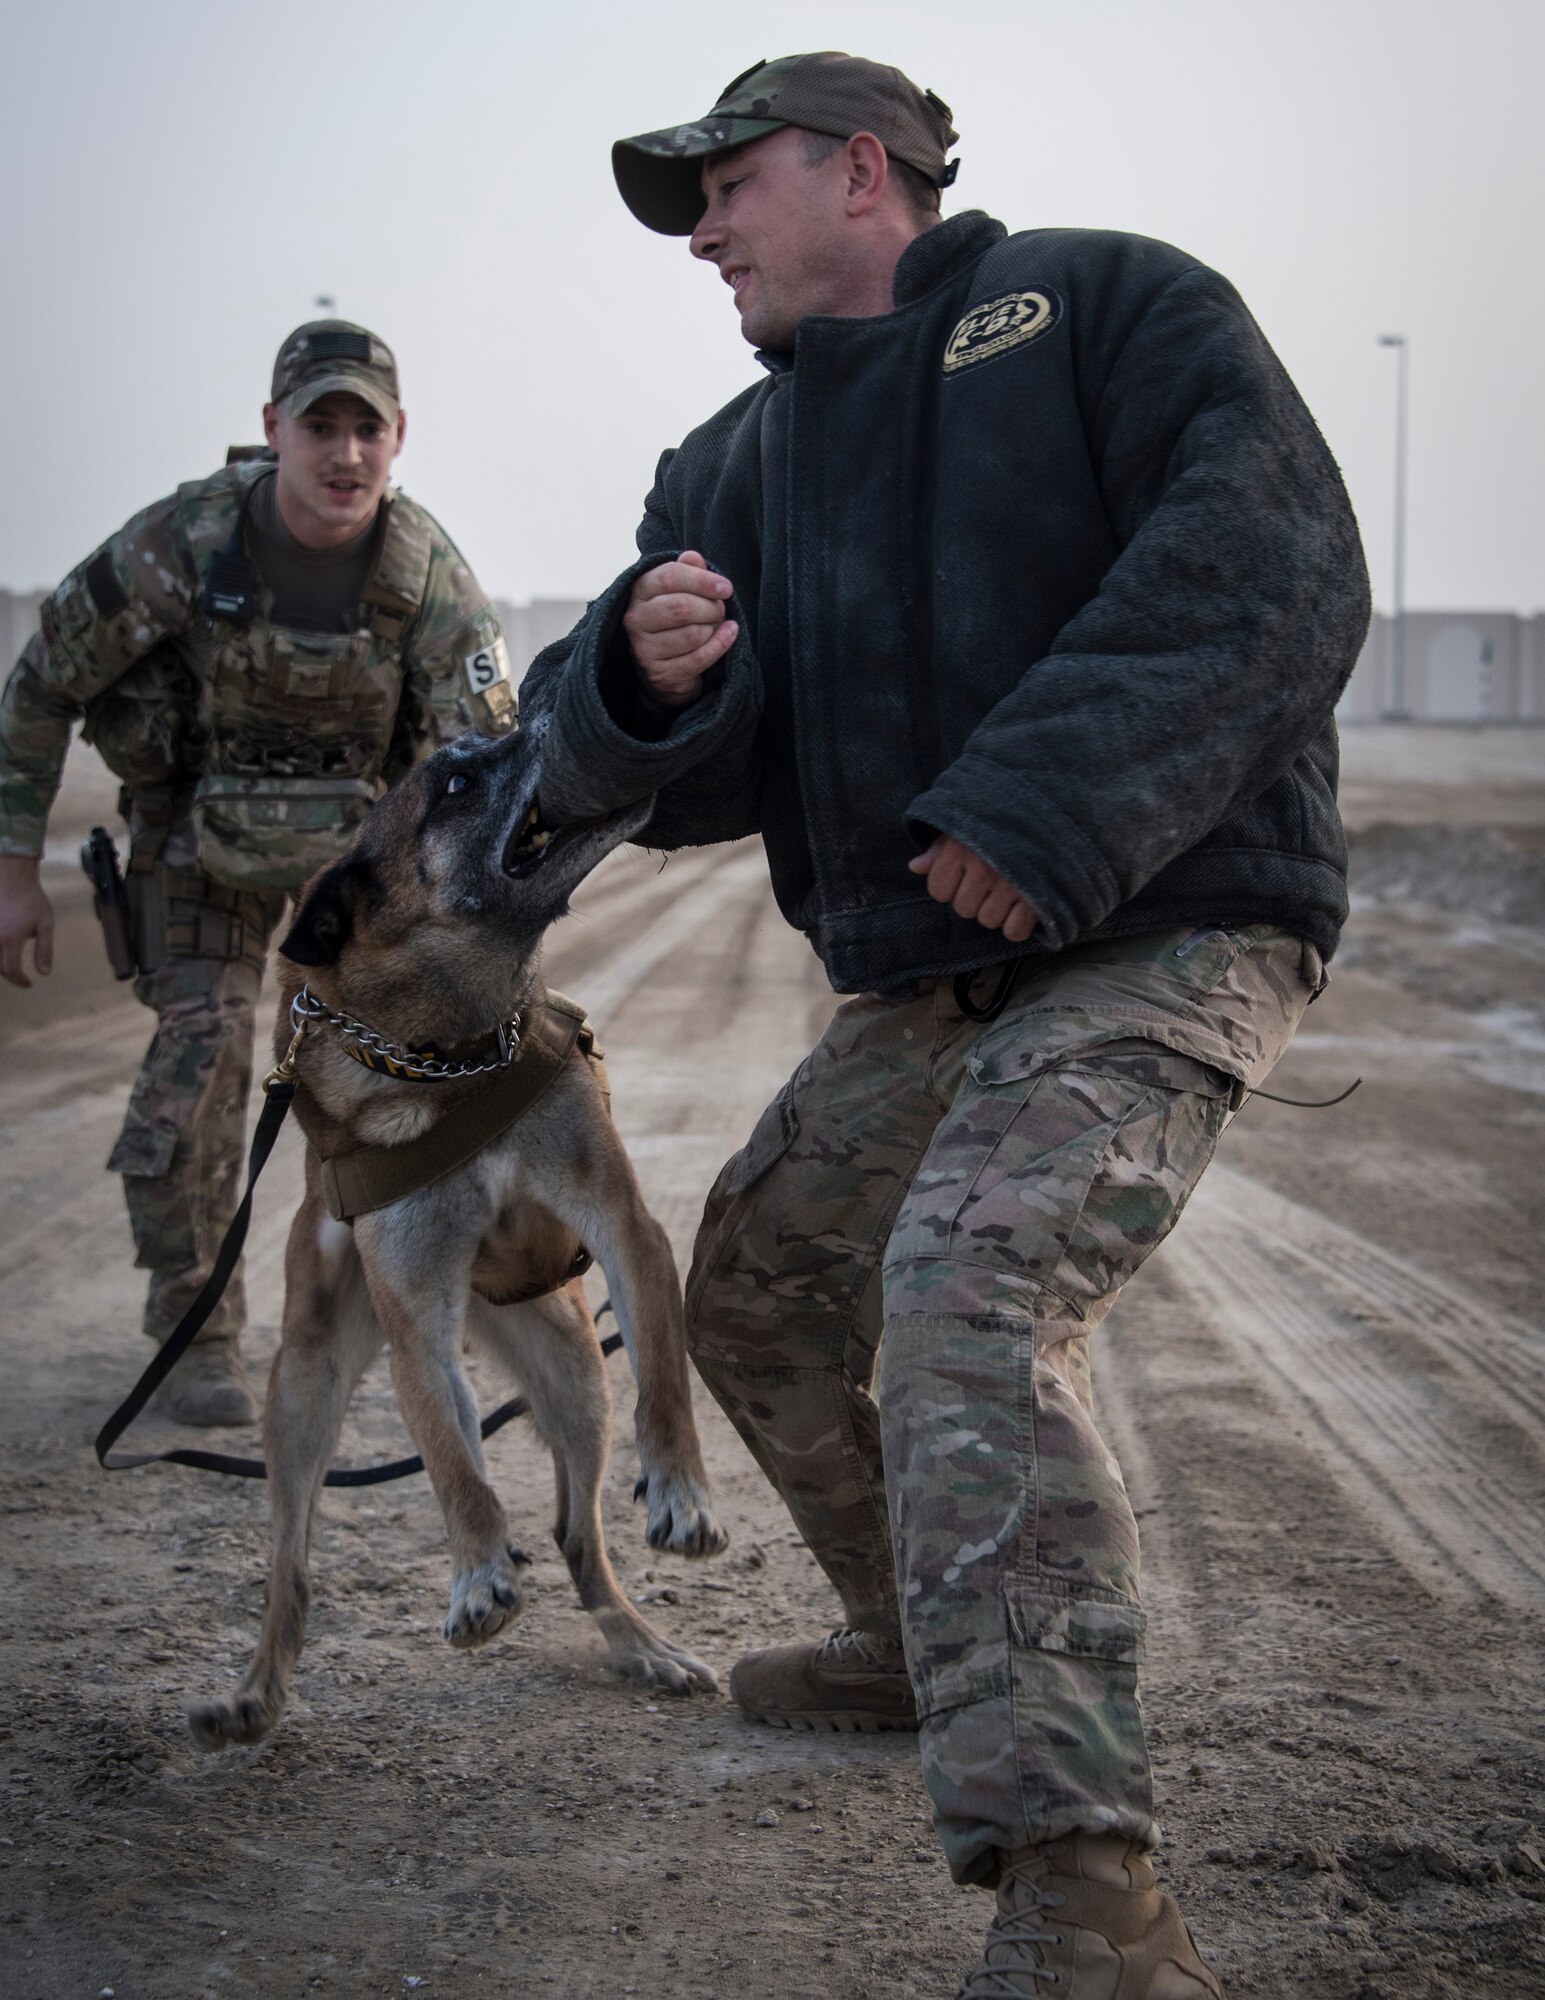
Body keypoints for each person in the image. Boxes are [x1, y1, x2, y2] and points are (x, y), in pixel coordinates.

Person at [523, 52, 1369, 1999]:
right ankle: (910, 1638)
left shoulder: (1106, 306)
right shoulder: (732, 464)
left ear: (857, 168)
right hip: (931, 978)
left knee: (969, 1284)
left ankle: (1091, 1894)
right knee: (742, 1287)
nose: (704, 231)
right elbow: (691, 770)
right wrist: (633, 688)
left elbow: (1272, 558)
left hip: (1169, 921)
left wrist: (1040, 804)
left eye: (724, 186)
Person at [0, 320, 515, 1426]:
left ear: (399, 438)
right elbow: (40, 682)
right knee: (205, 1050)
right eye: (318, 424)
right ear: (272, 428)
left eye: (365, 428)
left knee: (406, 1069)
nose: (343, 454)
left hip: (359, 855)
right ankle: (193, 1324)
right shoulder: (180, 544)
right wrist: (12, 867)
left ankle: (402, 1302)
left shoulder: (428, 575)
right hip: (200, 841)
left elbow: (490, 760)